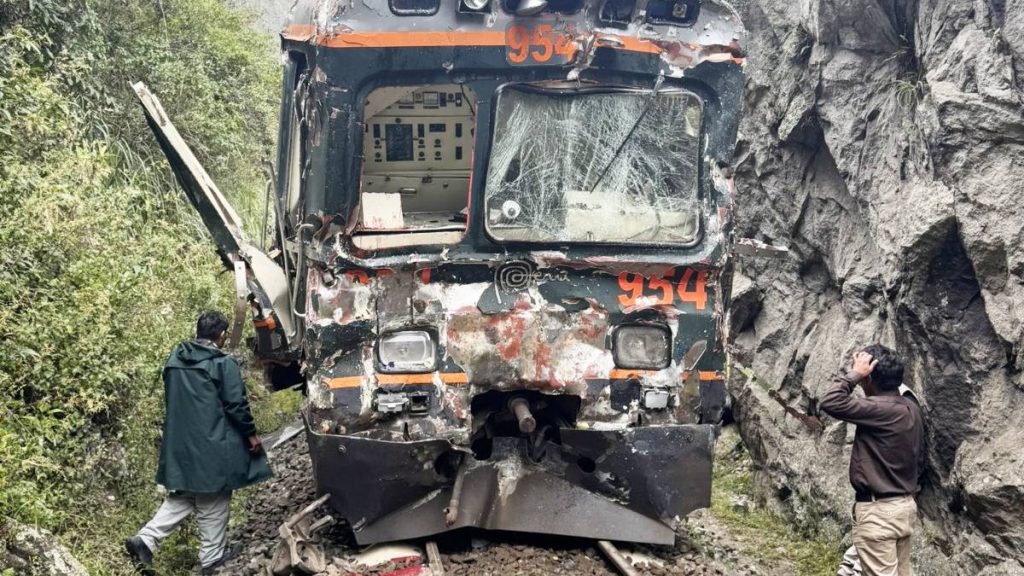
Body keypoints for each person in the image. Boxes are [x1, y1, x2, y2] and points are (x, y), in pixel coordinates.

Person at [125, 310, 273, 575]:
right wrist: (251, 434)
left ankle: (145, 540)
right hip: (211, 444)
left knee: (185, 495)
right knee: (214, 496)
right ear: (221, 335)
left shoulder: (175, 359)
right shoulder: (221, 364)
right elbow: (236, 405)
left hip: (179, 444)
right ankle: (212, 557)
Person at [819, 344, 925, 576]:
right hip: (904, 507)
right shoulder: (911, 406)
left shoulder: (879, 409)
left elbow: (830, 402)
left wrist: (855, 374)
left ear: (869, 379)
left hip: (880, 512)